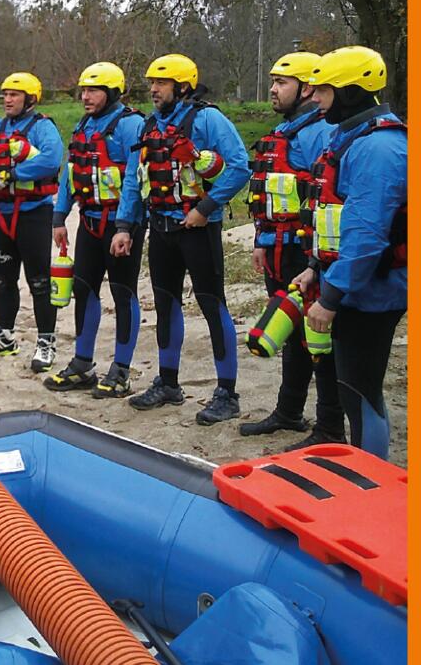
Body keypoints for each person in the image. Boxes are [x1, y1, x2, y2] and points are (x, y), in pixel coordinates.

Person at [124, 53, 251, 424]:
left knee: (213, 306)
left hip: (197, 228)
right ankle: (168, 383)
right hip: (160, 228)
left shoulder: (208, 118)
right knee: (165, 304)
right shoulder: (147, 126)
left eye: (160, 83)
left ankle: (227, 393)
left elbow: (239, 166)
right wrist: (122, 226)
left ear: (182, 86)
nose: (153, 89)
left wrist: (206, 207)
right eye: (151, 83)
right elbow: (135, 179)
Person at [293, 46, 406, 459]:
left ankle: (373, 480)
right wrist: (313, 269)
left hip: (372, 292)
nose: (316, 99)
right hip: (351, 284)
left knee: (360, 389)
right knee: (352, 385)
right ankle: (366, 473)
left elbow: (367, 236)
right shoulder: (351, 138)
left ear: (353, 92)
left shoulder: (378, 149)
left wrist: (332, 296)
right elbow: (333, 219)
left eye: (323, 91)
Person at [238, 52, 345, 445]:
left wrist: (318, 262)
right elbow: (269, 195)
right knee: (287, 330)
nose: (272, 89)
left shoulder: (319, 133)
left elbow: (325, 199)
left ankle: (330, 425)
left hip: (307, 252)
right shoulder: (284, 132)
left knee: (317, 338)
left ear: (307, 88)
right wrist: (259, 241)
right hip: (277, 248)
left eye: (281, 82)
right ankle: (289, 412)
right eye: (273, 81)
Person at [45, 62, 146, 394]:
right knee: (84, 289)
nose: (85, 97)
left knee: (122, 291)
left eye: (93, 90)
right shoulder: (83, 125)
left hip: (121, 225)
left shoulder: (131, 126)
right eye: (83, 90)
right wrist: (60, 217)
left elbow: (133, 177)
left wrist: (124, 226)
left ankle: (121, 370)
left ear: (113, 92)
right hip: (89, 221)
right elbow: (70, 174)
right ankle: (82, 364)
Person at [0, 72, 65, 369]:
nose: (8, 100)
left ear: (30, 99)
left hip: (34, 214)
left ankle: (46, 342)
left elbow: (51, 160)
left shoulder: (42, 127)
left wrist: (13, 174)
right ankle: (4, 335)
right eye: (5, 94)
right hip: (1, 214)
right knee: (4, 280)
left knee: (39, 281)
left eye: (14, 94)